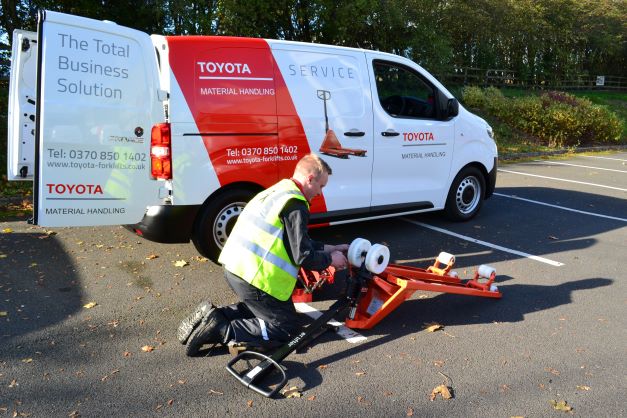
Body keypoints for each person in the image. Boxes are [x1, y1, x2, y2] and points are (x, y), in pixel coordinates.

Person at [177, 153, 349, 356]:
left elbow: (294, 241)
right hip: (256, 277)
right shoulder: (296, 205)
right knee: (287, 328)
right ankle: (221, 329)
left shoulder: (280, 191)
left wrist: (329, 248)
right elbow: (302, 256)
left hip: (236, 267)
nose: (321, 193)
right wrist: (331, 260)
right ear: (310, 179)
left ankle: (214, 315)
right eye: (321, 186)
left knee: (264, 309)